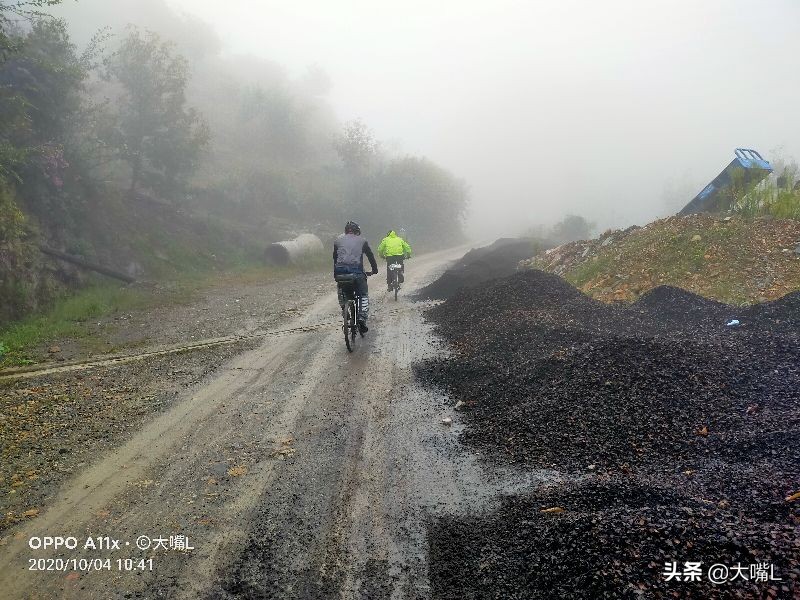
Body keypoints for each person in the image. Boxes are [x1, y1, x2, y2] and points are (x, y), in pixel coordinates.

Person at [333, 221, 378, 334]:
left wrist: (336, 274)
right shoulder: (362, 241)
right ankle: (362, 319)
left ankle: (344, 307)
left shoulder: (337, 241)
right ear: (357, 231)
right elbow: (370, 256)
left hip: (340, 273)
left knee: (342, 289)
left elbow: (335, 258)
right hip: (357, 273)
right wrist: (374, 270)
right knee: (363, 295)